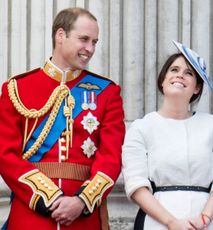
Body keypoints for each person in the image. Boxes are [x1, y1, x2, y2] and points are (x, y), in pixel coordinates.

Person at [0, 7, 125, 230]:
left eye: (94, 42)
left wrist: (81, 201)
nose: (90, 49)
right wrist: (48, 197)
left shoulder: (107, 92)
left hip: (83, 217)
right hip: (31, 214)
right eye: (84, 39)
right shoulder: (17, 89)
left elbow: (111, 157)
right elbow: (5, 154)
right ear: (60, 36)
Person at [122, 40, 213, 230]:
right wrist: (172, 222)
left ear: (196, 87)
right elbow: (136, 183)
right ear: (163, 79)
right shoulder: (141, 127)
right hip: (157, 221)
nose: (180, 75)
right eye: (174, 70)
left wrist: (204, 219)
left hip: (208, 222)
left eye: (189, 73)